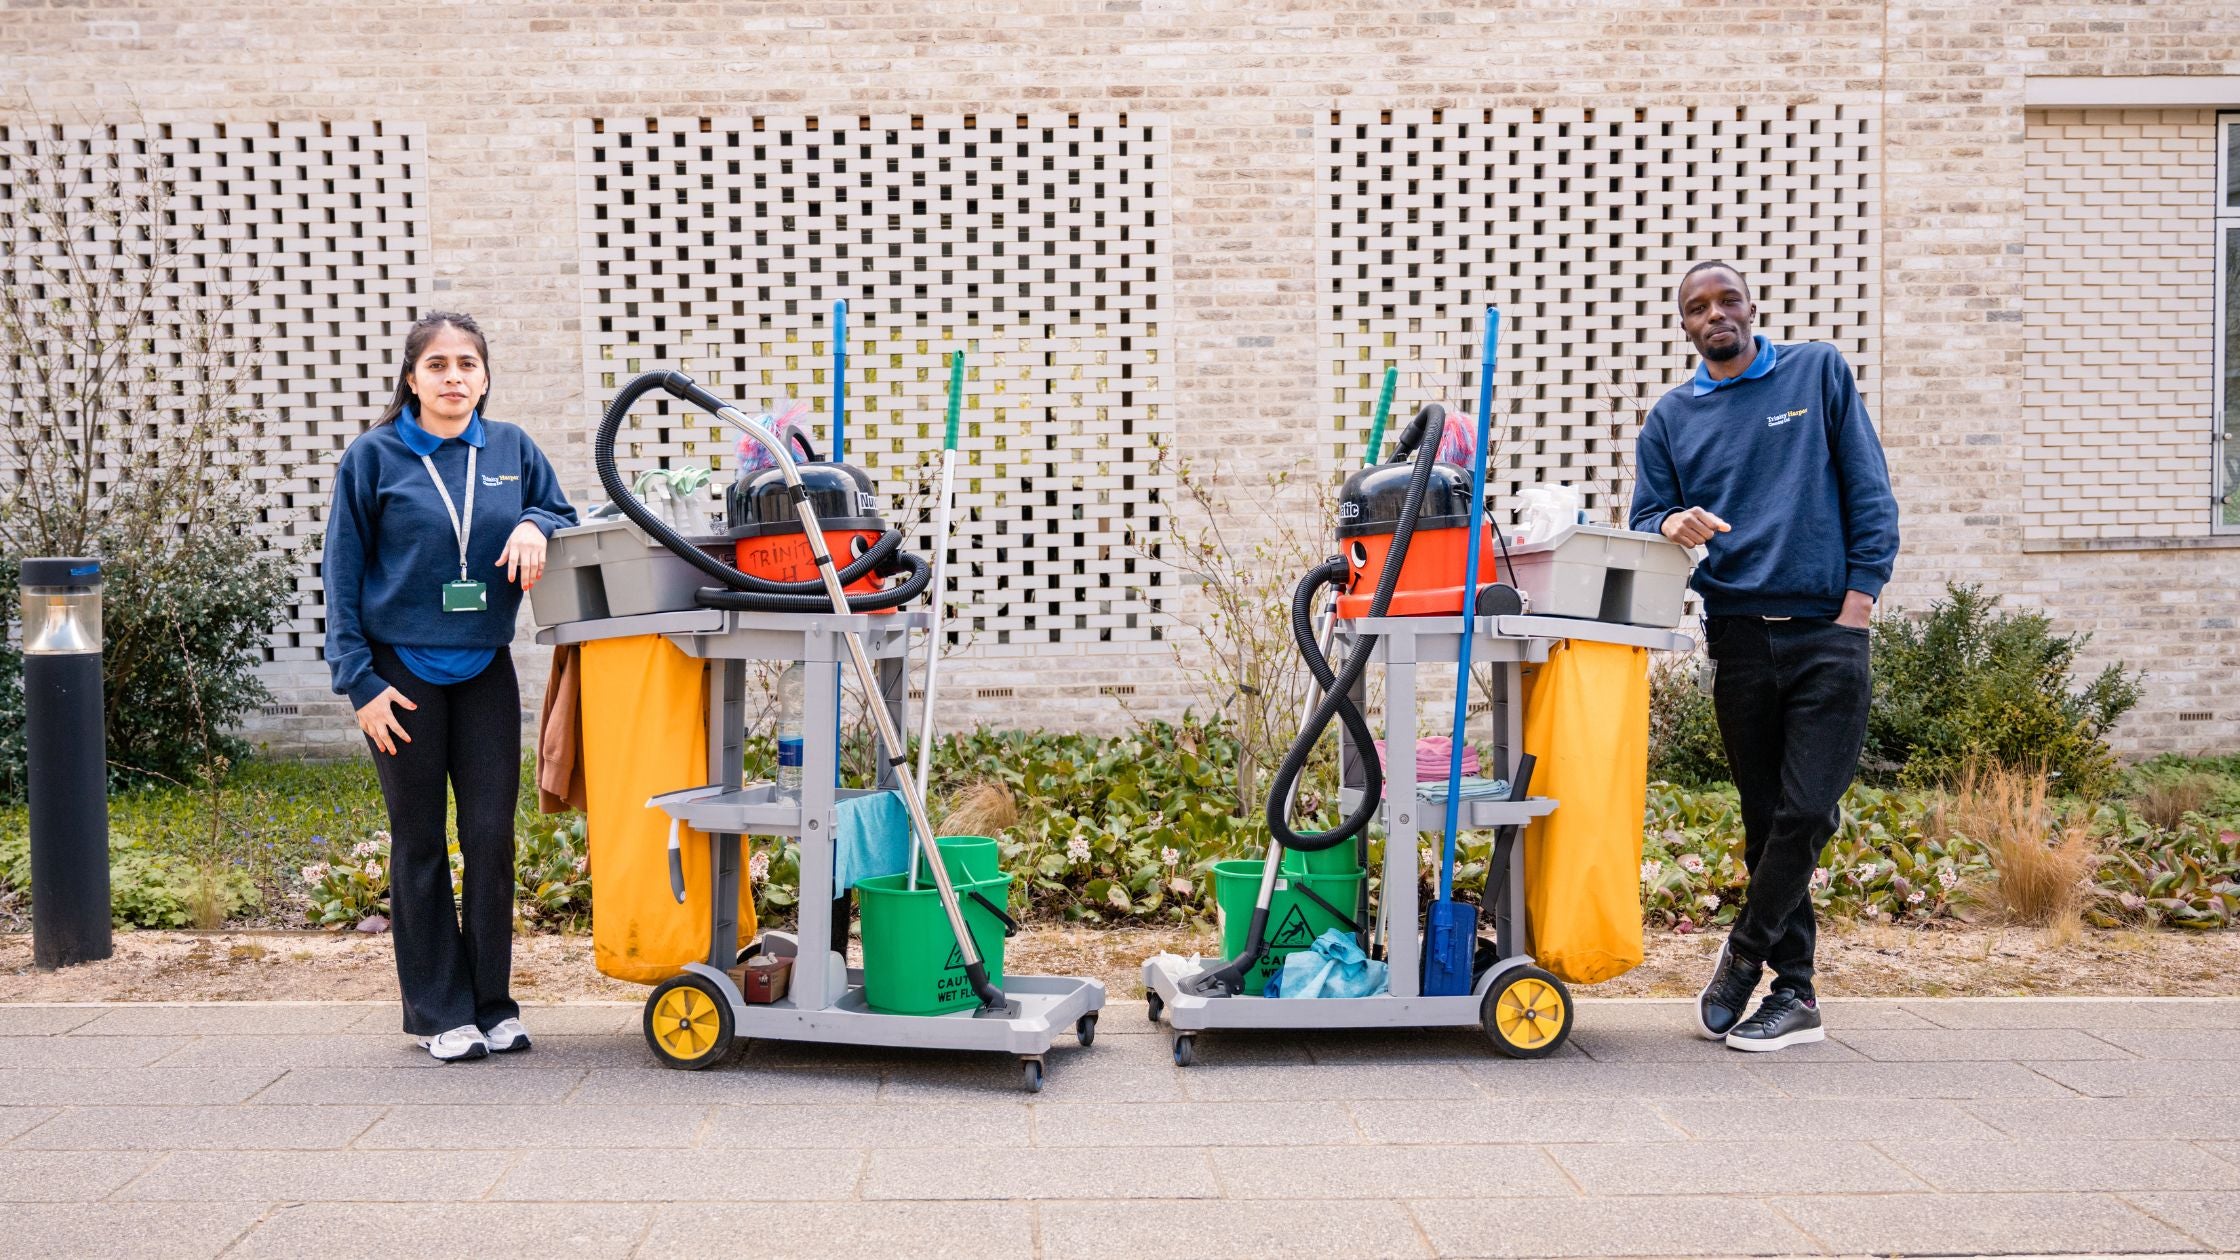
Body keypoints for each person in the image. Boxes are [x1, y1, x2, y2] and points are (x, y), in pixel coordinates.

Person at [1628, 262, 1900, 1052]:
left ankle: (1744, 955)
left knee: (1808, 809)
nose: (1715, 314)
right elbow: (1649, 515)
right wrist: (1672, 521)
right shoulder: (1672, 418)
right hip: (1739, 635)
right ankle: (1799, 996)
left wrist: (1859, 603)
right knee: (1763, 821)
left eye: (1727, 301)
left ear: (1751, 308)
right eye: (1697, 307)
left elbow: (1869, 491)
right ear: (1684, 325)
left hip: (1827, 631)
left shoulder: (1816, 372)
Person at [324, 311, 578, 1061]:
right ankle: (439, 1012)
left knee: (492, 839)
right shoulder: (373, 459)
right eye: (437, 365)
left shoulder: (511, 448)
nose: (454, 377)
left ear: (485, 377)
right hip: (399, 678)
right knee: (421, 843)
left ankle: (492, 1003)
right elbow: (339, 578)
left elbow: (559, 509)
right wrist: (358, 682)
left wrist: (535, 521)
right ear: (412, 378)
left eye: (468, 363)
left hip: (483, 670)